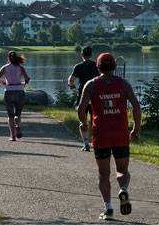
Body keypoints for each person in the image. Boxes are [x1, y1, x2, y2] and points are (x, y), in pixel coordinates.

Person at [77, 53, 141, 220]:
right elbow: (136, 106)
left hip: (101, 136)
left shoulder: (91, 85)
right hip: (120, 134)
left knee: (104, 174)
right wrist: (136, 129)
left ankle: (108, 209)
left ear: (98, 67)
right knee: (123, 170)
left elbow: (81, 109)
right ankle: (124, 190)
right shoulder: (124, 84)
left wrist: (84, 123)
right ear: (114, 66)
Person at [0, 51, 30, 142]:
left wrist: (3, 83)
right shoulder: (20, 67)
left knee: (10, 115)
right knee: (18, 113)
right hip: (20, 91)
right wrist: (23, 84)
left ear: (8, 58)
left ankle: (12, 136)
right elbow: (27, 78)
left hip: (9, 91)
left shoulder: (4, 67)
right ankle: (17, 122)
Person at [68, 46, 98, 151]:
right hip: (95, 96)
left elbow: (71, 80)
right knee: (97, 120)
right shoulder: (96, 66)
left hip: (82, 96)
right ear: (91, 54)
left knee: (83, 121)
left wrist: (71, 86)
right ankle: (97, 142)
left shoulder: (78, 66)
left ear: (82, 55)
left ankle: (86, 143)